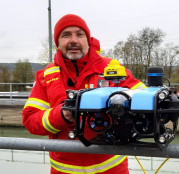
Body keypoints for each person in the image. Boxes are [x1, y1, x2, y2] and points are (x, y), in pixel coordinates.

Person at [22, 14, 146, 174]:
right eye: (66, 35)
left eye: (79, 34)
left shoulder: (112, 68)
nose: (73, 40)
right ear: (57, 43)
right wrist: (62, 115)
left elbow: (145, 98)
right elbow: (30, 120)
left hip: (111, 169)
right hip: (63, 170)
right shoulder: (46, 76)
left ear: (88, 40)